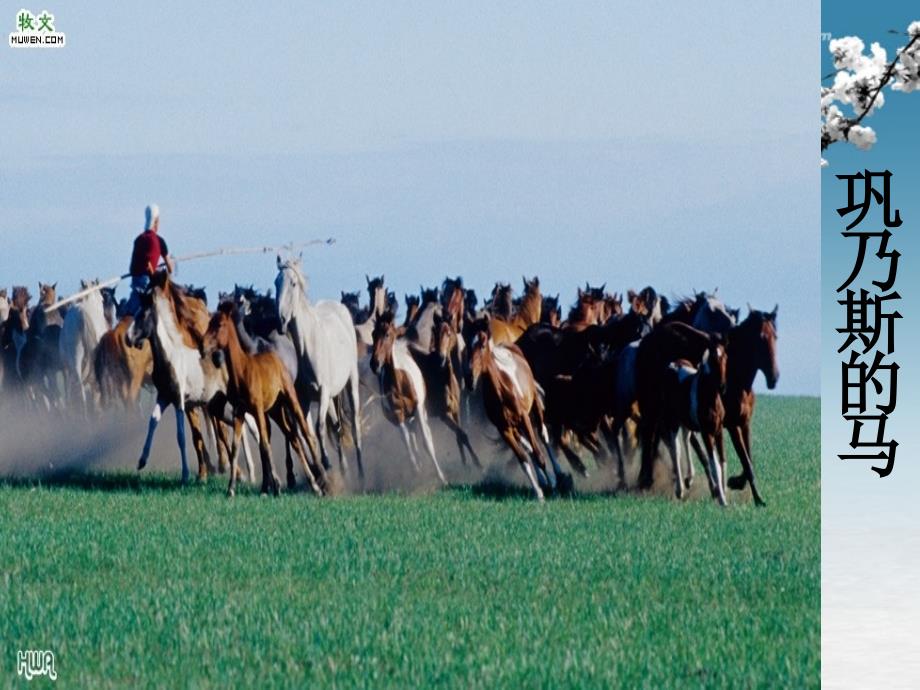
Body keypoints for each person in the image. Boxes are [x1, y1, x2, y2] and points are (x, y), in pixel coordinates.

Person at [125, 204, 175, 315]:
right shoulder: (159, 241)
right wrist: (171, 263)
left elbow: (132, 267)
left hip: (135, 283)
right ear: (156, 221)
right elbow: (170, 269)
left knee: (126, 313)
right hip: (148, 283)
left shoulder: (138, 240)